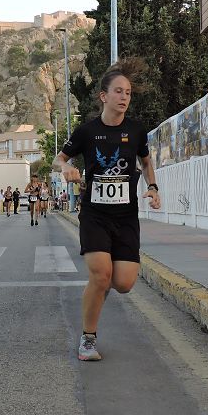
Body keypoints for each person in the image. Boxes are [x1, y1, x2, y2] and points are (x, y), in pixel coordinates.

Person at [55, 60, 161, 362]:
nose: (124, 97)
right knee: (101, 276)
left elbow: (146, 162)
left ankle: (98, 292)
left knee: (124, 282)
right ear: (104, 96)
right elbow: (58, 159)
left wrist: (153, 188)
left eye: (128, 92)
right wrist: (67, 167)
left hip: (126, 216)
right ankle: (88, 338)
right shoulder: (87, 132)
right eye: (118, 91)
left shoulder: (137, 131)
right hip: (95, 215)